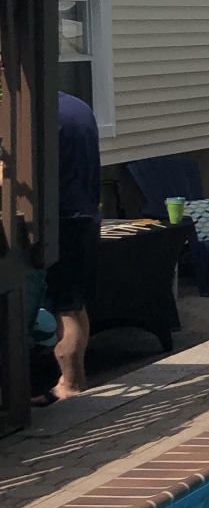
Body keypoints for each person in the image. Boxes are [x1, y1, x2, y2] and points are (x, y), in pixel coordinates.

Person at [43, 90, 101, 400]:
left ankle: (70, 385)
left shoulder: (44, 116)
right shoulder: (78, 107)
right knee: (76, 305)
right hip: (87, 214)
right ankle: (78, 379)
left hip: (63, 220)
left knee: (64, 308)